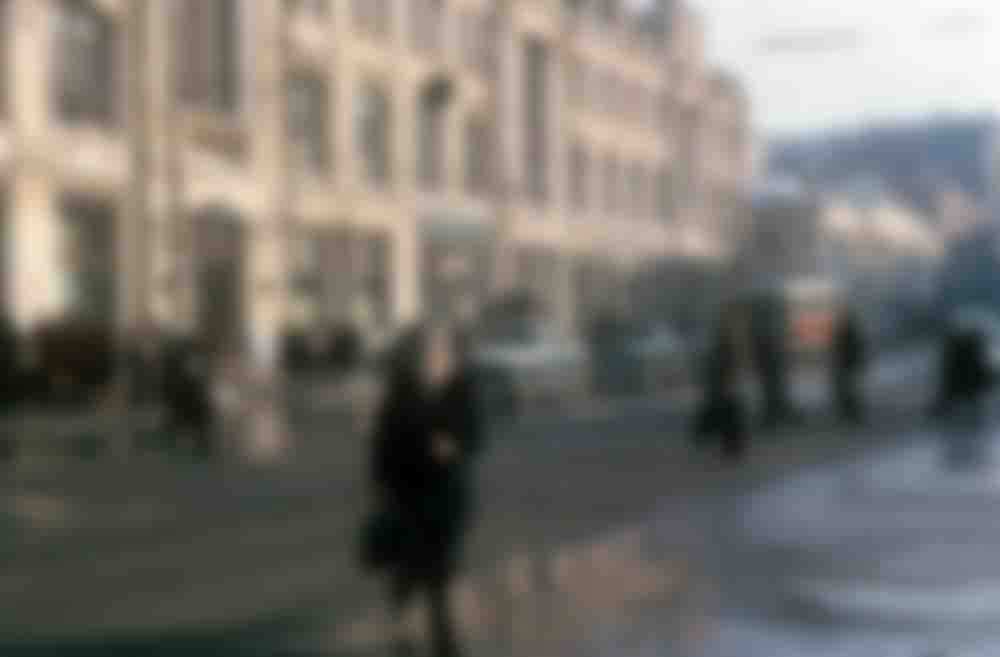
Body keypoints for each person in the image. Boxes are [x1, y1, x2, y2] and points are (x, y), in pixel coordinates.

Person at [367, 324, 484, 657]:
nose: (435, 357)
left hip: (447, 495)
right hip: (408, 493)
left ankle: (441, 643)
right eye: (428, 351)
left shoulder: (461, 388)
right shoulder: (401, 390)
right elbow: (383, 442)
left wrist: (455, 445)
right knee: (412, 566)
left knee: (438, 571)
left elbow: (475, 433)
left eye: (441, 350)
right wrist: (380, 485)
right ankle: (405, 627)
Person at [692, 306, 750, 462]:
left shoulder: (725, 342)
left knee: (727, 415)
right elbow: (725, 365)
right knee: (729, 415)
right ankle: (731, 447)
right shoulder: (726, 342)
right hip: (723, 387)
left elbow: (722, 365)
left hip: (722, 386)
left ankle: (730, 446)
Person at [161, 335, 216, 460]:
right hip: (179, 414)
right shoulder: (175, 382)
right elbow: (171, 404)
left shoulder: (200, 389)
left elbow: (204, 413)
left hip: (194, 418)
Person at [831, 308, 867, 424]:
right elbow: (856, 349)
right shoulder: (849, 334)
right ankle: (850, 412)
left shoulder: (844, 334)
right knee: (850, 390)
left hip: (846, 366)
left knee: (848, 390)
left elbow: (842, 351)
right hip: (847, 366)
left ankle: (849, 413)